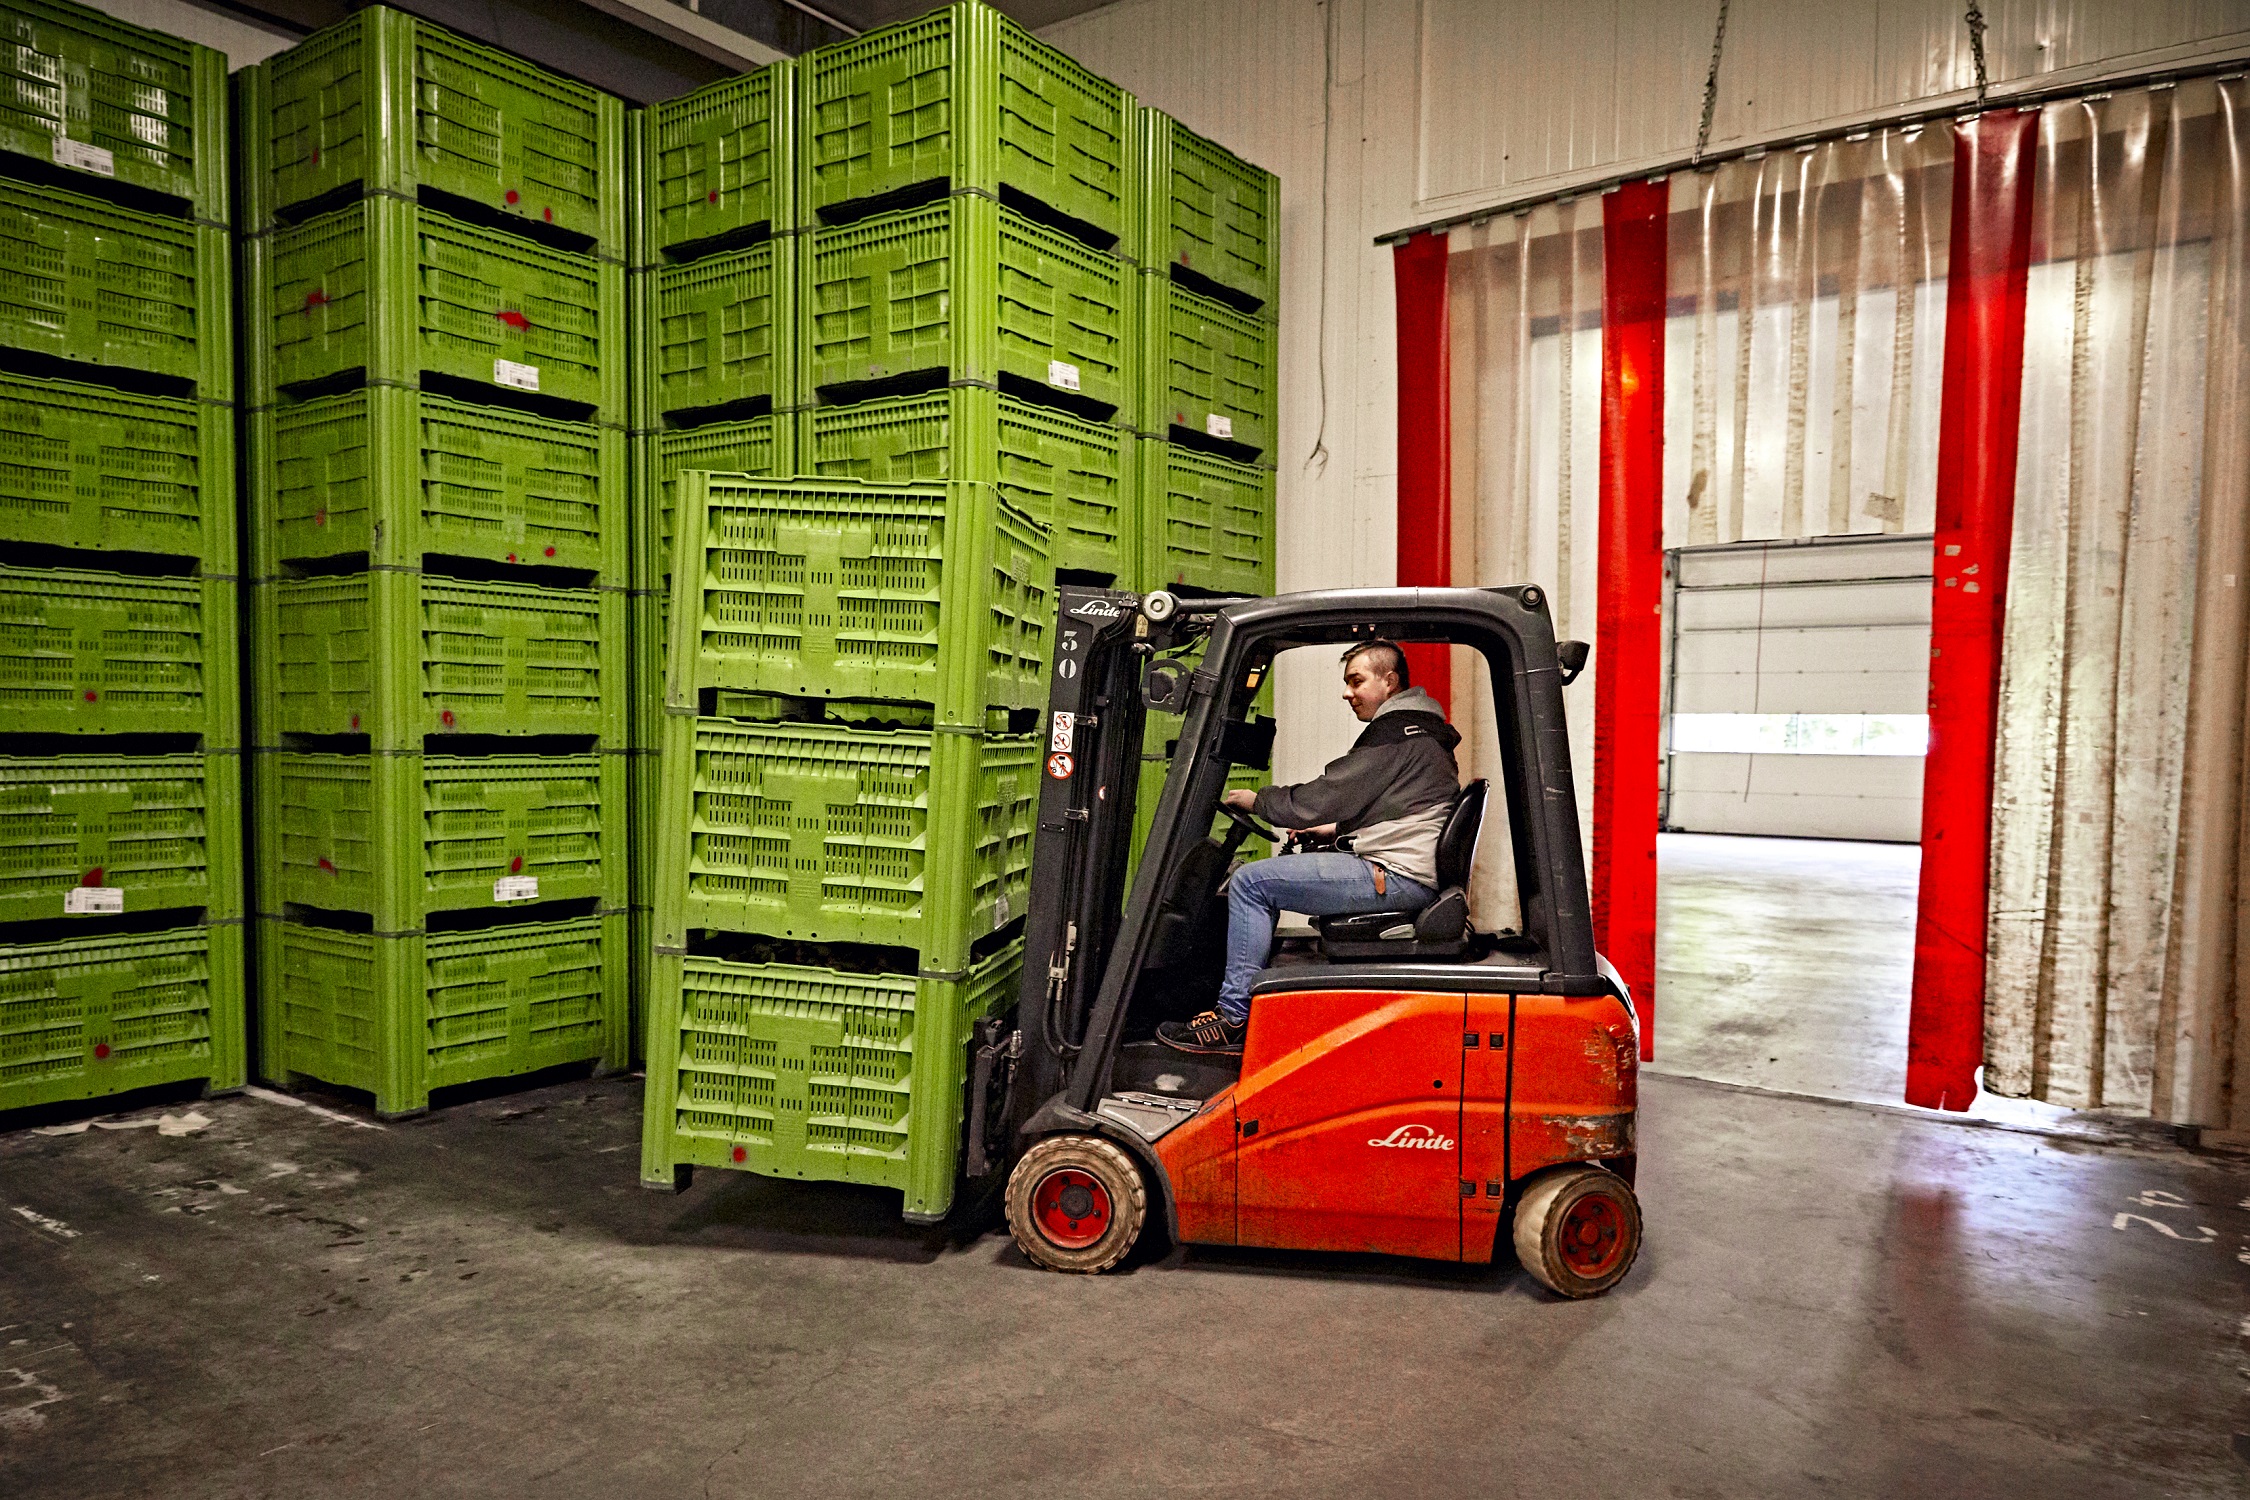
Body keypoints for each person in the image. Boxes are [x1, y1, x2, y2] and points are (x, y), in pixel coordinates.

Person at [1157, 639, 1462, 1054]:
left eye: (1356, 681)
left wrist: (1260, 801)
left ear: (1389, 682)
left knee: (1250, 883)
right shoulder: (1420, 730)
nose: (1346, 692)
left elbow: (1326, 793)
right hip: (1401, 867)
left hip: (1394, 876)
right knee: (1265, 880)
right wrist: (1329, 831)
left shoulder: (1397, 732)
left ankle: (1233, 1019)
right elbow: (1391, 807)